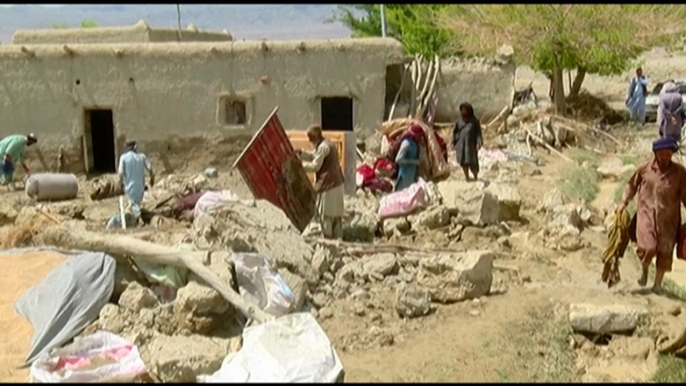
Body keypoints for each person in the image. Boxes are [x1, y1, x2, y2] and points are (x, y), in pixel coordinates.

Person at [617, 137, 686, 294]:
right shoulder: (644, 170)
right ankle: (645, 268)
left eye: (668, 154)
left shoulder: (679, 172)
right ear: (655, 153)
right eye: (662, 154)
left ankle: (657, 285)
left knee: (665, 252)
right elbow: (631, 185)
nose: (665, 157)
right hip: (646, 215)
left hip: (669, 220)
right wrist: (623, 202)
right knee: (648, 248)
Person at [296, 125, 345, 240]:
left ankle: (328, 241)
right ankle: (339, 239)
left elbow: (315, 166)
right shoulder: (327, 144)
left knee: (326, 215)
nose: (309, 141)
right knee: (337, 216)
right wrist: (302, 153)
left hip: (328, 185)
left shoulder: (323, 147)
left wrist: (300, 166)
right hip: (337, 184)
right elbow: (315, 155)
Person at [117, 139, 154, 224]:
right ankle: (135, 217)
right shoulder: (142, 157)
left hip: (129, 186)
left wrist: (120, 182)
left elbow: (121, 173)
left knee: (133, 202)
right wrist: (152, 178)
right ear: (135, 147)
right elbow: (150, 168)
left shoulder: (124, 158)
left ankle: (139, 219)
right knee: (136, 203)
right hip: (140, 186)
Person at [453, 102, 483, 182]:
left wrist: (478, 143)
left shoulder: (474, 121)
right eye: (462, 110)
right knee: (463, 162)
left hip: (471, 145)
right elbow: (455, 132)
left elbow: (478, 133)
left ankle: (475, 177)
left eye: (465, 110)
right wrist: (454, 143)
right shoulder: (458, 121)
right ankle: (467, 177)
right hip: (461, 145)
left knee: (472, 162)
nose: (463, 112)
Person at [392, 124, 424, 192]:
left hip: (411, 176)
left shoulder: (415, 144)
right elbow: (398, 159)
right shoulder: (407, 143)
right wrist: (414, 162)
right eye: (419, 136)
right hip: (404, 176)